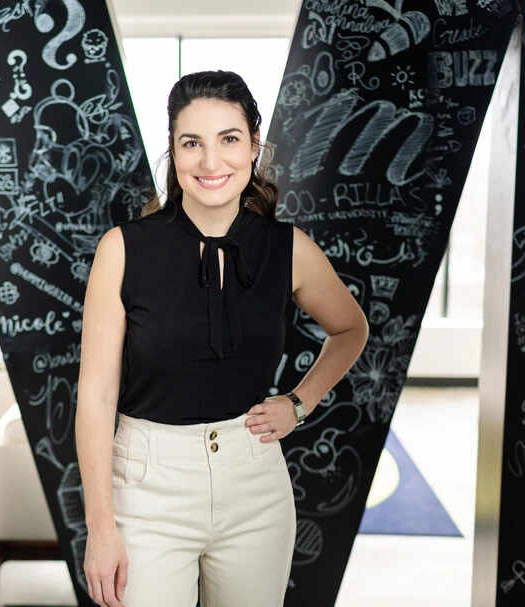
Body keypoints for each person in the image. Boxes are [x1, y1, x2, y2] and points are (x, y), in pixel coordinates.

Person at [75, 70, 369, 607]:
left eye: (229, 139)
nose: (212, 163)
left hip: (254, 482)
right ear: (173, 151)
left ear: (255, 146)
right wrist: (100, 527)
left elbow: (351, 329)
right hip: (146, 489)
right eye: (192, 143)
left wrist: (300, 404)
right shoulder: (122, 249)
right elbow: (95, 397)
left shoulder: (288, 247)